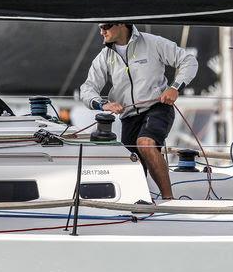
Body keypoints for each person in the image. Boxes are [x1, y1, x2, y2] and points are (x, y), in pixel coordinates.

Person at [80, 22, 198, 201]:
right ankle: (141, 204)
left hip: (157, 108)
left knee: (145, 143)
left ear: (121, 24)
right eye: (100, 27)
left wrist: (175, 87)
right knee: (132, 162)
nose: (102, 31)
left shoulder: (152, 43)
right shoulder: (104, 56)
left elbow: (188, 60)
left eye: (106, 26)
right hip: (129, 116)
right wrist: (102, 104)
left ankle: (169, 200)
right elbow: (88, 88)